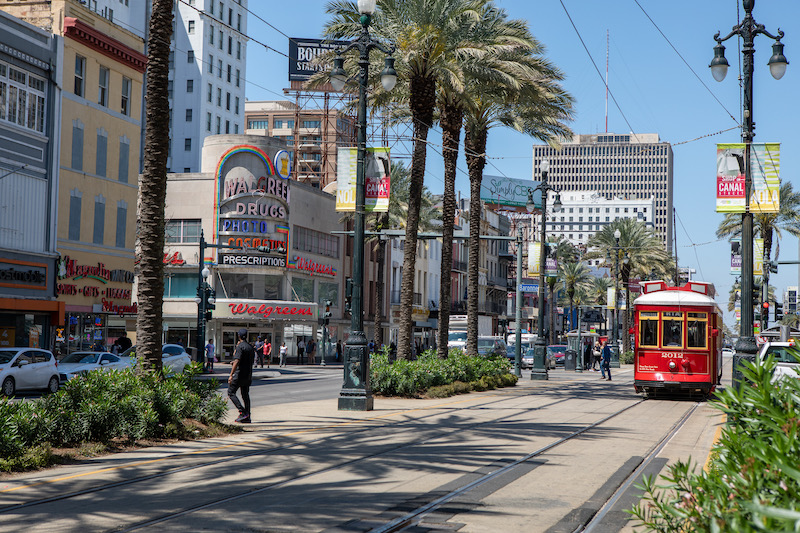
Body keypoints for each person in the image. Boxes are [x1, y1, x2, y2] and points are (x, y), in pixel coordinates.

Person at [228, 328, 255, 423]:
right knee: (245, 395)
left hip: (239, 374)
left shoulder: (240, 347)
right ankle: (248, 416)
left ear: (239, 336)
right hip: (248, 375)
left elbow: (237, 360)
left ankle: (242, 412)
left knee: (231, 392)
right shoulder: (250, 347)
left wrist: (231, 374)